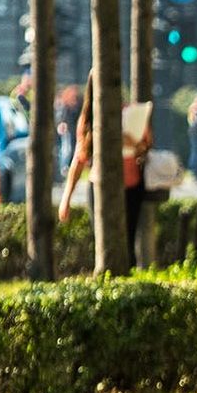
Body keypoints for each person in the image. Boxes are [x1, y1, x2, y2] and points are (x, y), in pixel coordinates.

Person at [59, 79, 153, 271]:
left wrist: (132, 143)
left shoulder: (130, 113)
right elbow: (79, 159)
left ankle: (127, 280)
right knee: (105, 242)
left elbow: (146, 146)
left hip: (131, 184)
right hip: (99, 186)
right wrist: (66, 198)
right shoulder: (88, 120)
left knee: (128, 239)